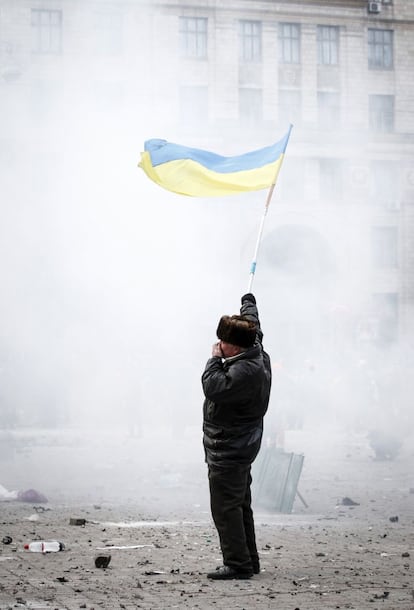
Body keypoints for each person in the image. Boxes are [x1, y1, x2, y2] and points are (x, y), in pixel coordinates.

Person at [201, 292, 272, 580]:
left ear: (235, 346)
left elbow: (213, 387)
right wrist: (249, 304)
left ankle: (238, 564)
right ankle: (248, 560)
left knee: (225, 508)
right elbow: (254, 324)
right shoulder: (253, 346)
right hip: (242, 445)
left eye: (223, 341)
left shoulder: (244, 371)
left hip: (229, 447)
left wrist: (213, 360)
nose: (219, 344)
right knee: (239, 504)